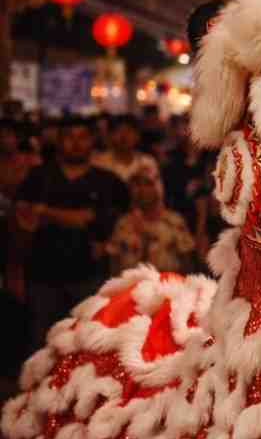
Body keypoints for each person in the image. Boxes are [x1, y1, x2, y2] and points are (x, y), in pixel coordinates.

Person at [11, 117, 129, 346]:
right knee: (43, 344)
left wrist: (45, 211)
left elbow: (96, 220)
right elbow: (23, 222)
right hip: (42, 276)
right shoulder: (38, 178)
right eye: (69, 137)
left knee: (86, 345)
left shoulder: (108, 182)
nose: (75, 143)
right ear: (59, 141)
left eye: (82, 137)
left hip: (90, 277)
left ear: (92, 141)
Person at [105, 168, 198, 275]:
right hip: (131, 286)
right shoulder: (123, 223)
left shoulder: (175, 222)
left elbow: (188, 264)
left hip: (166, 286)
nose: (142, 189)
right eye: (137, 185)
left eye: (148, 184)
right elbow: (113, 263)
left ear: (158, 187)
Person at [91, 114, 159, 185]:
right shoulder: (100, 163)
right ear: (110, 135)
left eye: (129, 131)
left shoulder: (147, 162)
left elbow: (158, 192)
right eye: (118, 131)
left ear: (137, 136)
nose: (124, 136)